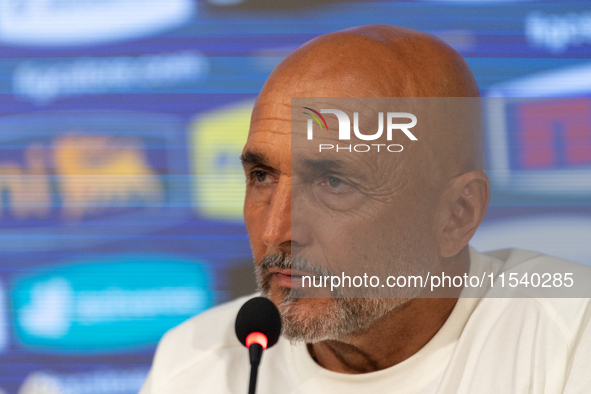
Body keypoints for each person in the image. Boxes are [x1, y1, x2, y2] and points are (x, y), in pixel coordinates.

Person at [139, 25, 591, 393]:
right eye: (262, 176)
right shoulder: (197, 364)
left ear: (457, 214)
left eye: (333, 182)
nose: (276, 230)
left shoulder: (571, 336)